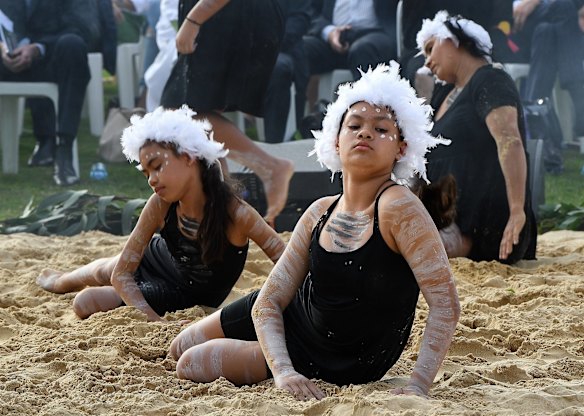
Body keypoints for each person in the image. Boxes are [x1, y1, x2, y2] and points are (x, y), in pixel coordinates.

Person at [167, 63, 460, 400]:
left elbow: (445, 303)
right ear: (336, 141)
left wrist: (418, 385)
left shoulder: (399, 208)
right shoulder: (320, 210)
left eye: (381, 129)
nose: (365, 133)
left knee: (190, 362)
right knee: (181, 345)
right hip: (295, 319)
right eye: (355, 125)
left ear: (401, 148)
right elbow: (269, 302)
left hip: (334, 358)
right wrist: (283, 372)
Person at [36, 106, 286, 322]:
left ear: (188, 157)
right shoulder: (161, 203)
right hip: (159, 256)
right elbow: (121, 273)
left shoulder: (237, 213)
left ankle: (64, 281)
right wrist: (154, 322)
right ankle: (61, 282)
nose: (152, 180)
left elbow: (287, 261)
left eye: (157, 167)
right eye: (146, 173)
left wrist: (150, 317)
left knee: (86, 302)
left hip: (179, 293)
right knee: (106, 270)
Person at [160, 0, 294, 227]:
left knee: (181, 112)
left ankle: (267, 168)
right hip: (228, 14)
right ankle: (225, 208)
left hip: (227, 14)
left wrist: (194, 20)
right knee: (192, 115)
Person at [417, 11, 537, 264]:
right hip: (442, 212)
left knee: (417, 248)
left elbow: (510, 141)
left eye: (430, 49)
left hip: (482, 219)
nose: (427, 62)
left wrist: (517, 211)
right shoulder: (445, 93)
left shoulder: (490, 78)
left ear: (452, 39)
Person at [0, 0, 93, 186]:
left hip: (51, 58)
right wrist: (2, 49)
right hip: (7, 60)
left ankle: (64, 149)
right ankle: (44, 143)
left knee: (73, 45)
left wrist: (37, 48)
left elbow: (84, 29)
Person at [510, 0, 584, 173]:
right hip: (517, 35)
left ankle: (546, 147)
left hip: (550, 37)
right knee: (564, 8)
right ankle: (577, 89)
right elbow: (517, 10)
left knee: (547, 32)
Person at [303, 0, 399, 82]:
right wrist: (329, 32)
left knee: (363, 50)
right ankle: (295, 103)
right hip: (333, 35)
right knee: (299, 49)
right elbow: (309, 9)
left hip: (377, 34)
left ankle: (363, 103)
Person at [261, 0, 311, 143]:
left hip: (279, 47)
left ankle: (274, 145)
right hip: (232, 49)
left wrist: (264, 46)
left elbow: (298, 20)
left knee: (278, 69)